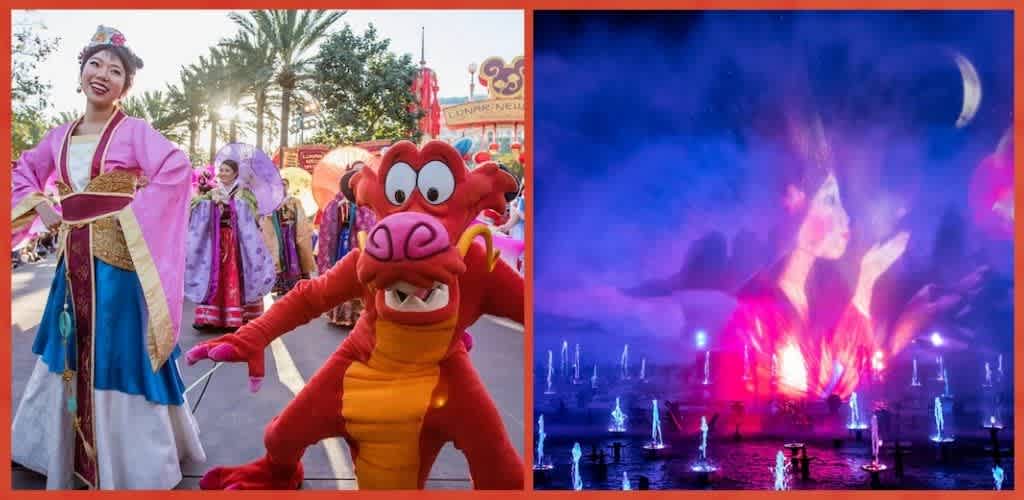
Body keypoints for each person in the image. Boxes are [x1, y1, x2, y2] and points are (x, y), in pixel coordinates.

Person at [10, 26, 205, 489]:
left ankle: (131, 462)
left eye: (115, 71)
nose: (102, 75)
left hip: (117, 264)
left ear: (125, 86)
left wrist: (132, 217)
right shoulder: (56, 137)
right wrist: (40, 202)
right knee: (67, 342)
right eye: (95, 64)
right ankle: (63, 450)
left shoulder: (135, 131)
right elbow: (22, 171)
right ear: (80, 72)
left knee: (117, 347)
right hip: (71, 261)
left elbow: (176, 169)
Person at [717, 167, 911, 401]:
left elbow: (847, 382)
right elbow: (784, 400)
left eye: (840, 202)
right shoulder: (756, 307)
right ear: (792, 201)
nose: (845, 217)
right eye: (830, 200)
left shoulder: (822, 295)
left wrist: (867, 278)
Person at [185, 144, 278, 330]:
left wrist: (229, 205)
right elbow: (194, 206)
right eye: (221, 170)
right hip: (215, 242)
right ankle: (209, 317)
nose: (223, 173)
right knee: (212, 275)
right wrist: (211, 205)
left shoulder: (243, 193)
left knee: (234, 274)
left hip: (237, 242)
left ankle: (234, 317)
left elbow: (252, 214)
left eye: (227, 170)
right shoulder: (212, 192)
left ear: (236, 174)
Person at [315, 163, 376, 327]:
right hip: (343, 243)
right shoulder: (337, 200)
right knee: (344, 275)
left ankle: (361, 313)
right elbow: (328, 222)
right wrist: (339, 208)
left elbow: (372, 222)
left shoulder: (370, 199)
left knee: (362, 275)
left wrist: (358, 210)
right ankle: (342, 314)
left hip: (361, 243)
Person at [262, 179, 315, 295]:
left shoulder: (294, 201)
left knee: (293, 255)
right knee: (279, 255)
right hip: (278, 233)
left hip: (291, 232)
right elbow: (266, 220)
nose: (282, 187)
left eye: (284, 185)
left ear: (288, 187)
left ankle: (295, 282)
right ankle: (282, 285)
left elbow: (300, 217)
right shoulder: (272, 202)